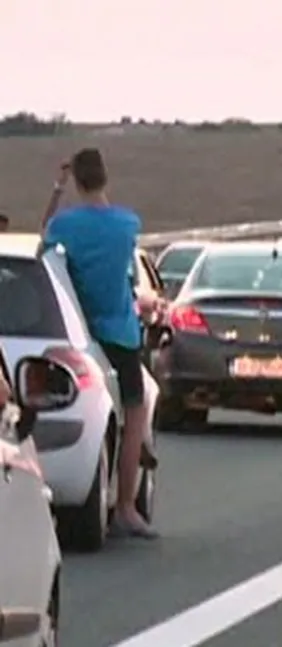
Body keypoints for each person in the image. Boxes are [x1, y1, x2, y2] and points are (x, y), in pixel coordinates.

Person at [42, 148, 161, 539]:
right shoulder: (127, 224)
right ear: (105, 178)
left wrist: (57, 190)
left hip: (82, 331)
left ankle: (126, 463)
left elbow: (43, 242)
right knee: (135, 410)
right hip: (122, 335)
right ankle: (127, 505)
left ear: (76, 180)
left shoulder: (66, 225)